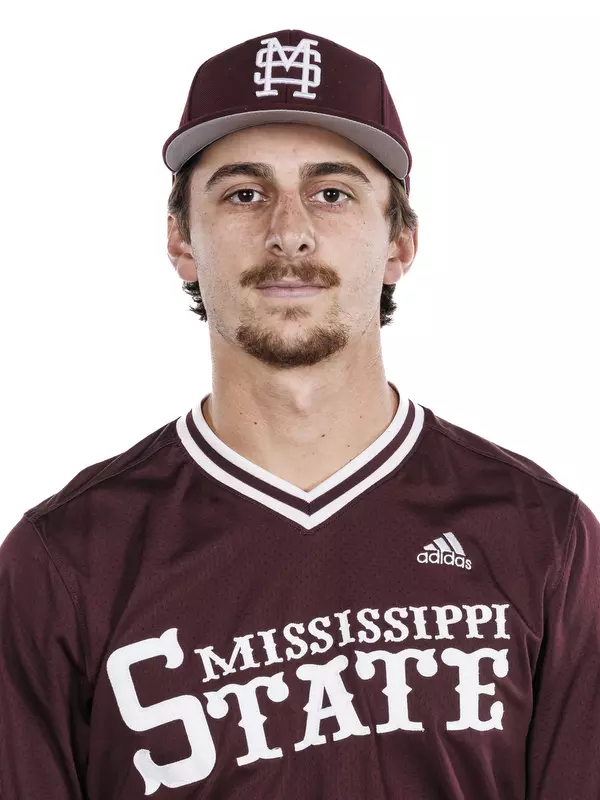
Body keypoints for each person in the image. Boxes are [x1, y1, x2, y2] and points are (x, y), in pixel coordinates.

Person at [1, 28, 599, 800]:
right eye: (243, 193)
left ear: (401, 243)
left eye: (333, 192)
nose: (289, 231)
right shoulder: (65, 561)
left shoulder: (544, 539)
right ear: (182, 241)